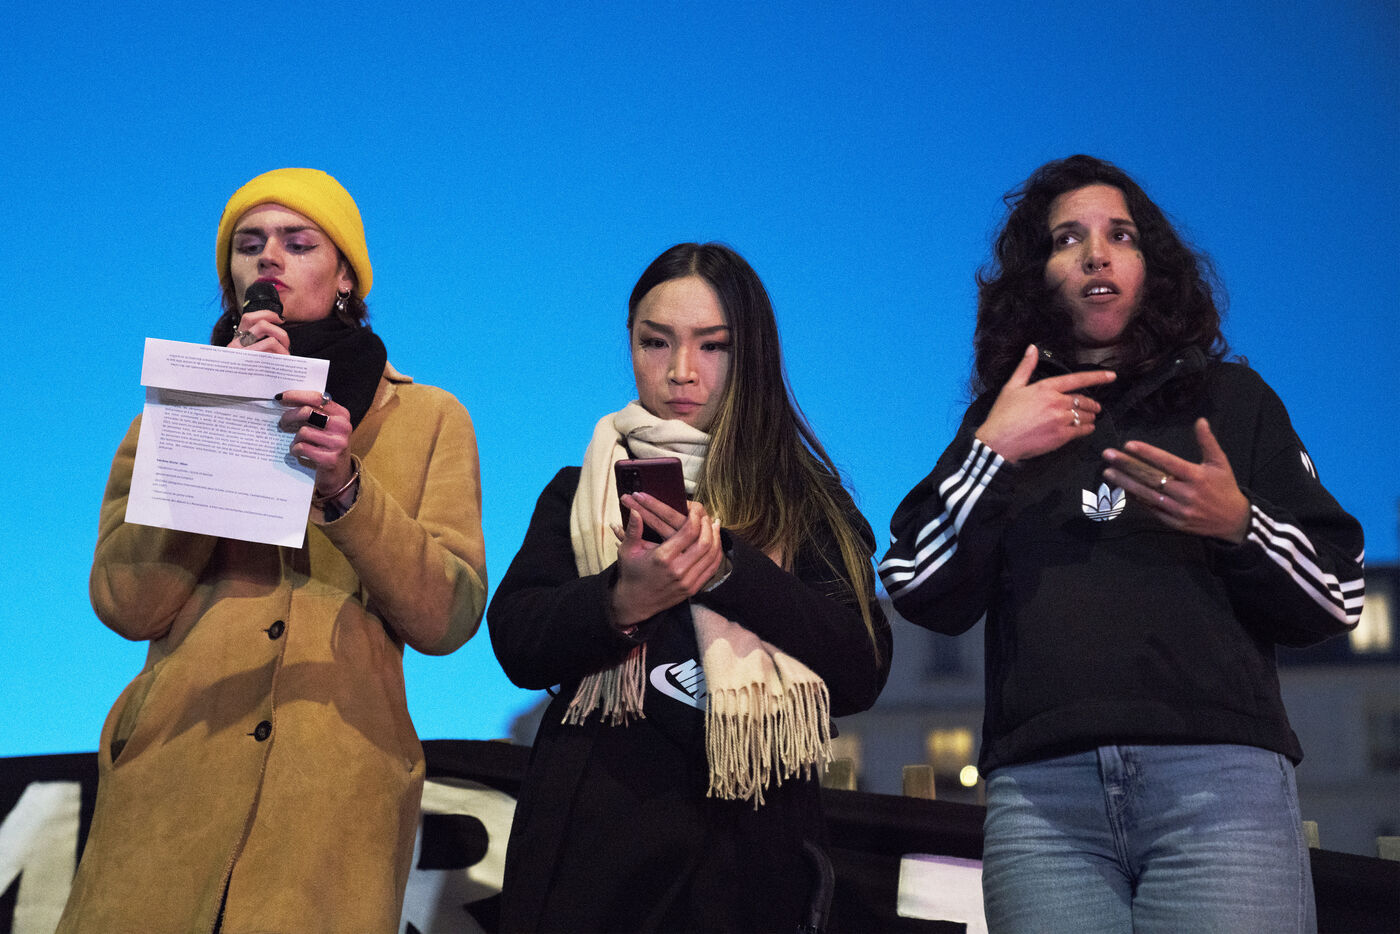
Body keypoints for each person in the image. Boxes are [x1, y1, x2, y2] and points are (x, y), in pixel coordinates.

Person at [879, 155, 1365, 934]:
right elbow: (915, 583)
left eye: (1120, 235)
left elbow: (1339, 597)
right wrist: (994, 453)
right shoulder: (1004, 419)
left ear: (1152, 266)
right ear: (1037, 276)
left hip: (1219, 790)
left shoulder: (1233, 402)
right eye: (1067, 239)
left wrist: (1239, 524)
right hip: (1043, 802)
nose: (1096, 254)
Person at [57, 168, 488, 934]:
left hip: (331, 799)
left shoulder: (428, 418)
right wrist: (221, 412)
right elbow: (127, 604)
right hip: (173, 784)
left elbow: (447, 618)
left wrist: (346, 490)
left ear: (347, 275)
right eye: (249, 244)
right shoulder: (170, 415)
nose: (269, 258)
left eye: (299, 242)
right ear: (231, 277)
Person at [488, 242, 891, 932]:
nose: (681, 370)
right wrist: (622, 600)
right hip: (590, 871)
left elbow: (861, 668)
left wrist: (728, 568)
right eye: (656, 342)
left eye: (713, 346)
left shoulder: (806, 502)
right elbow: (517, 642)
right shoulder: (579, 489)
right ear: (630, 343)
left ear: (752, 354)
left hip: (749, 876)